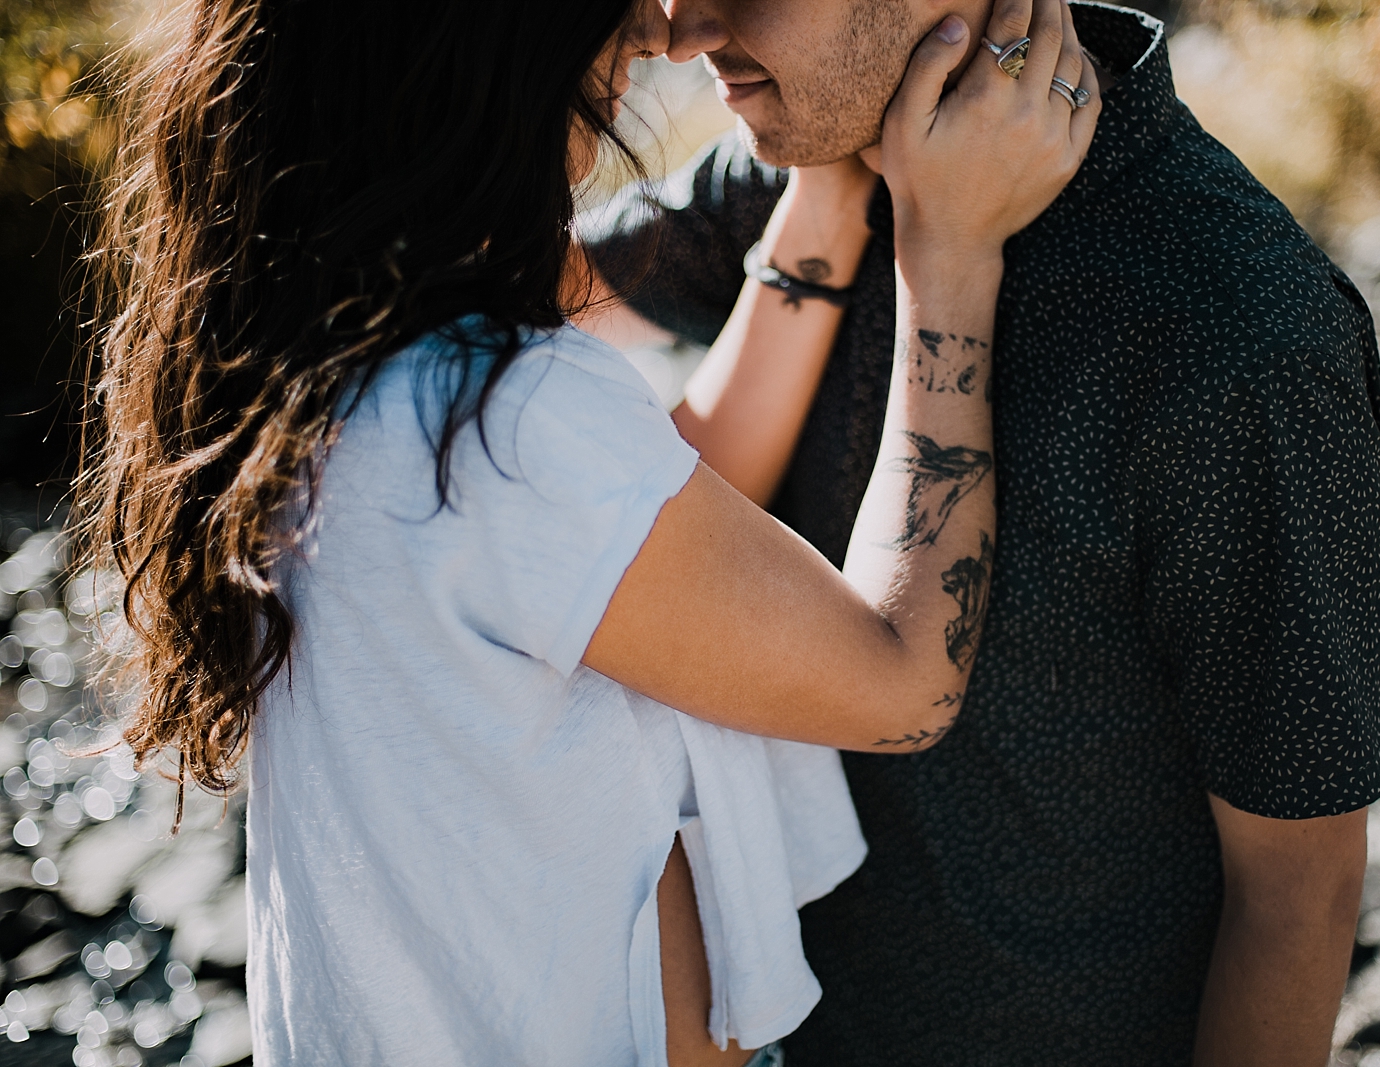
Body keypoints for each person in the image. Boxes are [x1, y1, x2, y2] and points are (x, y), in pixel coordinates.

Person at [80, 0, 1098, 1063]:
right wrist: (950, 254)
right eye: (606, 24)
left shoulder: (343, 368)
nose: (660, 35)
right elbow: (902, 679)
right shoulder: (502, 423)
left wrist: (829, 189)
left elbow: (656, 529)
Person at [579, 0, 1380, 1063]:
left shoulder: (1234, 331)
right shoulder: (806, 165)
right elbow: (453, 303)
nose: (681, 30)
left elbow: (1299, 889)